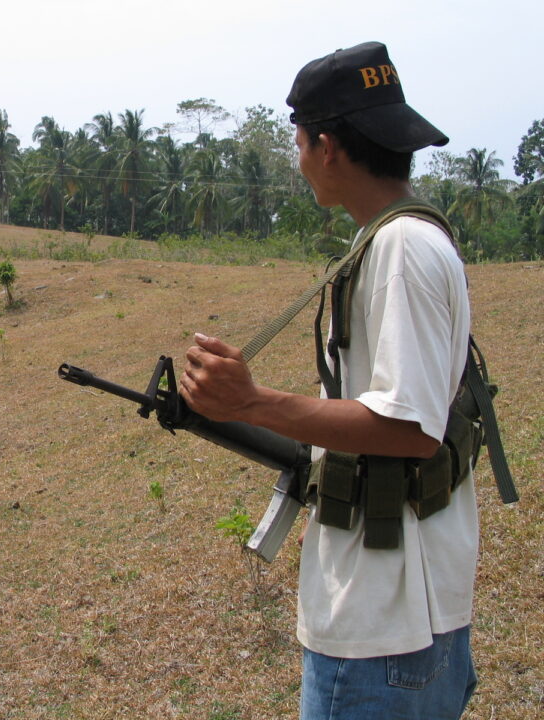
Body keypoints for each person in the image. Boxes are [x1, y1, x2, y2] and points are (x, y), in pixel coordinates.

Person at [180, 42, 477, 719]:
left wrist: (253, 401)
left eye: (300, 140)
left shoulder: (401, 250)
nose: (299, 157)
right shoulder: (405, 238)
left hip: (383, 630)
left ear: (329, 147)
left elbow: (410, 428)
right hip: (413, 613)